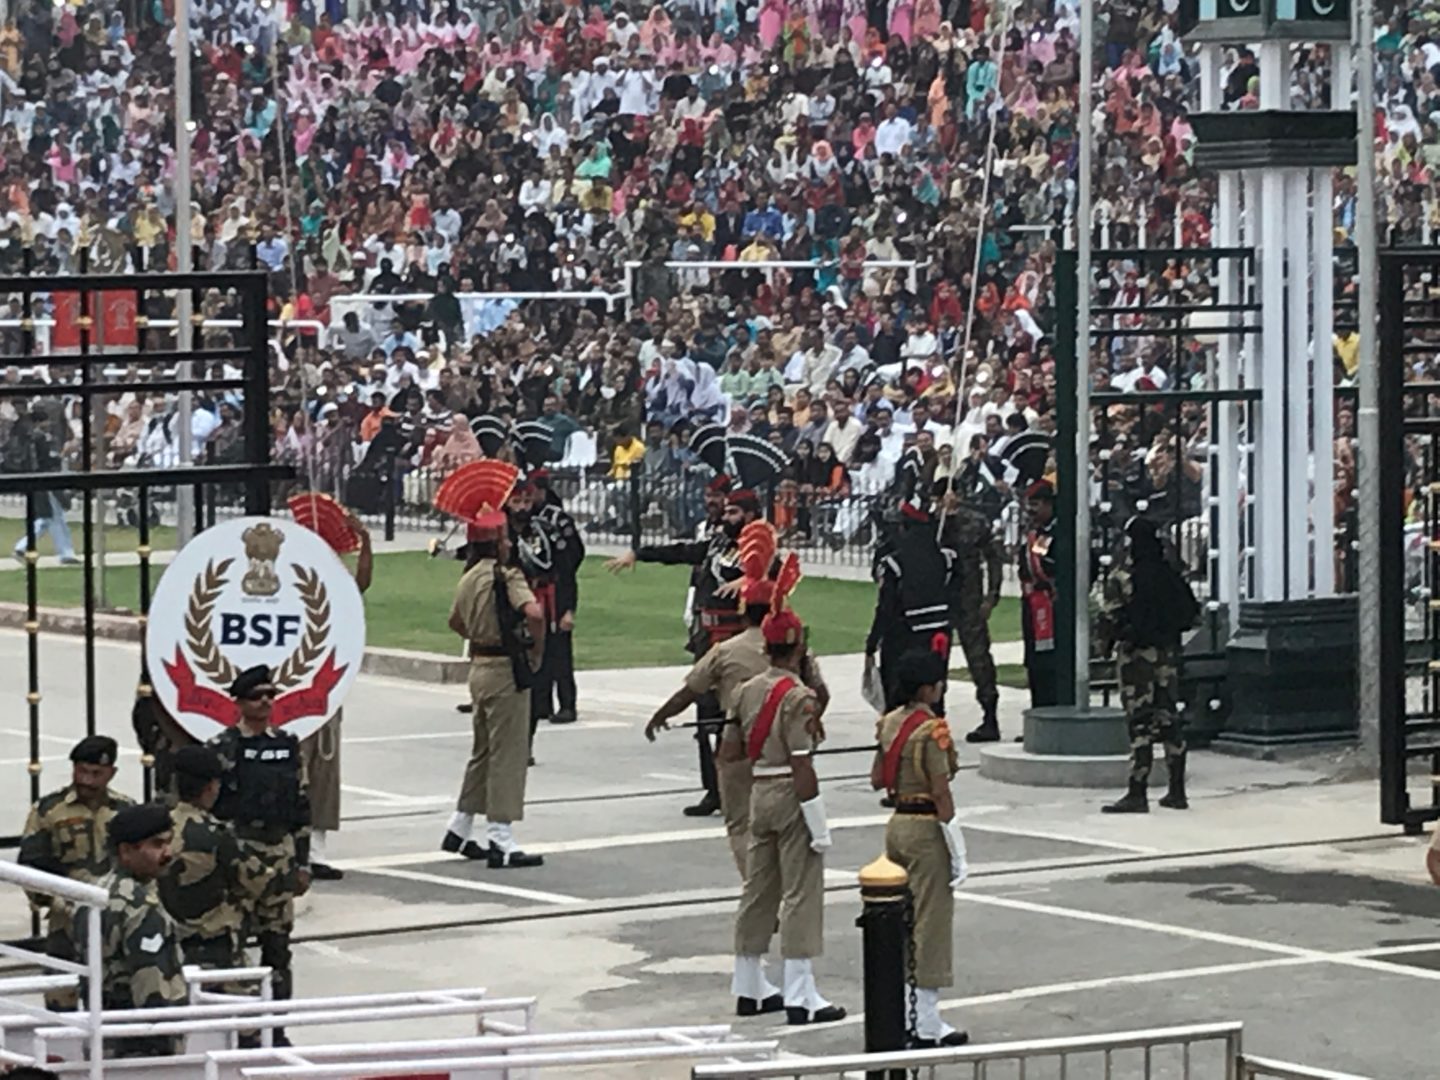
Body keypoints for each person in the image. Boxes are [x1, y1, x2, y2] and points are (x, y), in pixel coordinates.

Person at [645, 540, 830, 876]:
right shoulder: (794, 645)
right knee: (790, 823)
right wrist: (813, 720)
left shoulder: (725, 650)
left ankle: (756, 882)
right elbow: (821, 693)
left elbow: (690, 690)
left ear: (743, 609)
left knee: (742, 825)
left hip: (741, 744)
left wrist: (661, 716)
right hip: (788, 746)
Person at [722, 598, 845, 1026]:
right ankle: (800, 992)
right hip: (790, 792)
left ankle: (749, 984)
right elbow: (801, 762)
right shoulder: (799, 698)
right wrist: (817, 821)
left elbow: (730, 751)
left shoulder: (744, 691)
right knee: (800, 893)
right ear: (798, 647)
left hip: (758, 789)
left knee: (758, 890)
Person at [607, 485, 763, 817]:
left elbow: (777, 581)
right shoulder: (719, 542)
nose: (726, 517)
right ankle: (713, 789)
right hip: (709, 639)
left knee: (740, 716)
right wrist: (640, 553)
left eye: (734, 512)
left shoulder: (761, 549)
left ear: (750, 515)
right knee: (706, 716)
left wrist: (750, 581)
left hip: (738, 640)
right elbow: (683, 551)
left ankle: (743, 789)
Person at [442, 459, 548, 867]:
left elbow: (455, 621)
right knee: (508, 752)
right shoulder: (505, 574)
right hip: (505, 668)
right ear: (498, 538)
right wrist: (534, 649)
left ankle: (460, 824)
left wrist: (481, 635)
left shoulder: (468, 577)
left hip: (479, 668)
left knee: (482, 750)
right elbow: (534, 613)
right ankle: (501, 836)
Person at [872, 650, 969, 1048]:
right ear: (927, 689)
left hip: (896, 823)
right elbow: (941, 791)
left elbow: (878, 778)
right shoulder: (932, 731)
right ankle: (927, 1019)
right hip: (927, 826)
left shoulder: (889, 723)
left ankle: (902, 1008)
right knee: (931, 921)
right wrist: (957, 847)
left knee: (902, 920)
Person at [210, 666, 311, 1041]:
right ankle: (241, 1029)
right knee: (232, 950)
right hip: (240, 856)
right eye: (257, 696)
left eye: (271, 694)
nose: (266, 701)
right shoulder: (223, 747)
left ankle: (276, 1028)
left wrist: (303, 863)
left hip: (279, 856)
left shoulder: (287, 744)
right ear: (239, 702)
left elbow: (301, 805)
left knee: (278, 950)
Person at [19, 735, 134, 1010]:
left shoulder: (125, 810)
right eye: (82, 771)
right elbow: (31, 863)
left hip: (113, 919)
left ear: (111, 773)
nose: (88, 781)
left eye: (97, 773)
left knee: (115, 997)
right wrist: (54, 901)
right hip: (66, 920)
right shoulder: (50, 810)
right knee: (60, 996)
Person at [1099, 517, 1197, 814]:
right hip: (1166, 656)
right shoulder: (1170, 574)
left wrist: (1104, 647)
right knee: (1169, 718)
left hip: (1136, 658)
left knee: (1140, 722)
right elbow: (1191, 612)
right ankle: (1176, 789)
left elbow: (1109, 618)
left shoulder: (1123, 577)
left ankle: (1137, 791)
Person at [300, 508, 373, 881]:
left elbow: (361, 584)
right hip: (292, 692)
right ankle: (294, 851)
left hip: (324, 691)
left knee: (324, 771)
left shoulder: (336, 584)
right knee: (295, 773)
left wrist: (366, 545)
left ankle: (316, 850)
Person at [865, 452, 959, 712]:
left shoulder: (895, 563)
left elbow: (886, 606)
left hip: (904, 634)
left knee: (900, 695)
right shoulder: (946, 556)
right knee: (934, 692)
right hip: (940, 632)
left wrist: (873, 640)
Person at [94, 802, 187, 1058]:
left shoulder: (96, 893)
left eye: (169, 842)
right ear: (126, 851)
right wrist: (161, 1042)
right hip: (141, 1043)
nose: (168, 853)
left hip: (104, 1029)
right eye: (157, 845)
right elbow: (150, 983)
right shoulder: (142, 908)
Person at [159, 746, 246, 982]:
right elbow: (250, 881)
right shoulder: (215, 834)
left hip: (164, 939)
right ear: (211, 787)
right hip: (212, 941)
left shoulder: (156, 826)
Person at [939, 478, 1006, 742]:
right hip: (942, 601)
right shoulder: (935, 524)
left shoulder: (975, 522)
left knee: (980, 661)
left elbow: (994, 560)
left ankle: (990, 716)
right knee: (936, 659)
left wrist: (992, 596)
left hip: (970, 602)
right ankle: (936, 716)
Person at [532, 470, 585, 725]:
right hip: (533, 591)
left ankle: (567, 703)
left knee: (560, 652)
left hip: (556, 590)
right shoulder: (523, 519)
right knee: (537, 650)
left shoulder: (557, 519)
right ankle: (541, 702)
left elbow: (570, 561)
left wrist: (568, 608)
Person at [1019, 481, 1058, 708]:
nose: (1030, 510)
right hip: (1032, 603)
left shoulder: (1055, 531)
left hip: (1048, 604)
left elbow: (1046, 566)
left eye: (1034, 504)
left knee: (1047, 662)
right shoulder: (1036, 531)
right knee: (1034, 661)